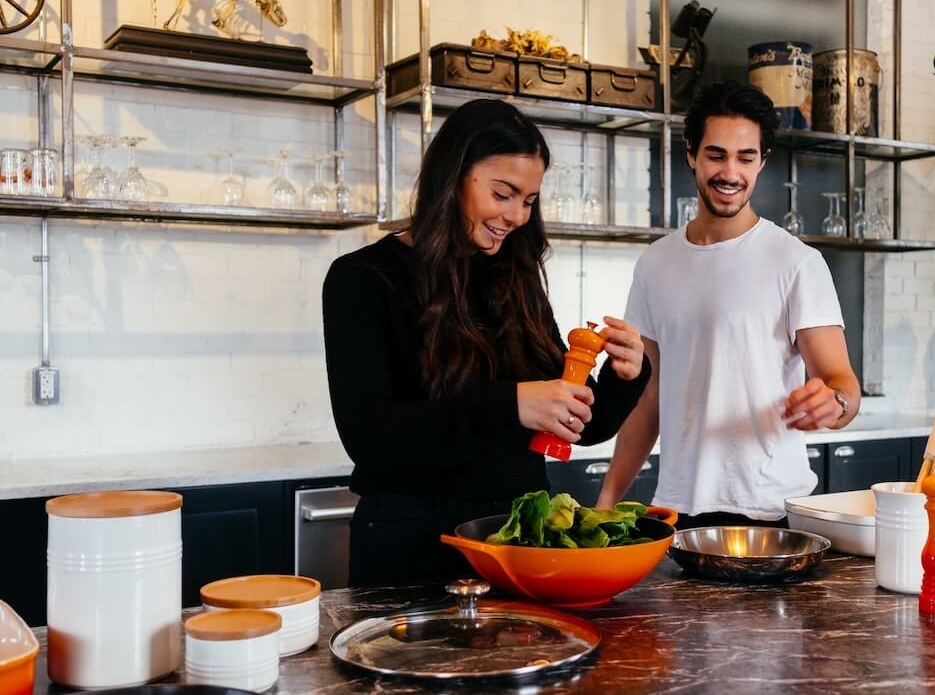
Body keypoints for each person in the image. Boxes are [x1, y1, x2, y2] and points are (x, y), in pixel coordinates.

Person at [322, 99, 651, 587]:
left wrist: (623, 376)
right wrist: (510, 404)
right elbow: (369, 436)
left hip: (520, 543)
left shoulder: (515, 278)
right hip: (411, 548)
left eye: (529, 200)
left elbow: (576, 427)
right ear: (453, 175)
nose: (517, 215)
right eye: (504, 193)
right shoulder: (363, 279)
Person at [596, 80, 860, 530]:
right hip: (677, 511)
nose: (730, 173)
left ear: (763, 162)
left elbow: (843, 386)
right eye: (716, 155)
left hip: (771, 511)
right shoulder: (656, 263)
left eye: (745, 157)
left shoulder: (796, 262)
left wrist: (833, 404)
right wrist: (606, 502)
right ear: (691, 154)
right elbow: (649, 397)